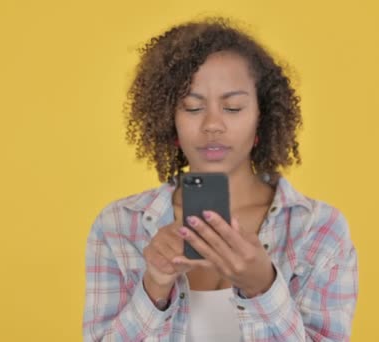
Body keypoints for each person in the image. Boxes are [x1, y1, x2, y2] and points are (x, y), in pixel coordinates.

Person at [83, 17, 358, 342]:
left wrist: (263, 287)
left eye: (233, 107)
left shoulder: (319, 230)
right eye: (192, 107)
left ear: (262, 118)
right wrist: (154, 285)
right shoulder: (118, 226)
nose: (213, 124)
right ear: (169, 122)